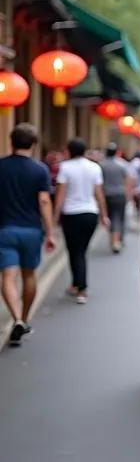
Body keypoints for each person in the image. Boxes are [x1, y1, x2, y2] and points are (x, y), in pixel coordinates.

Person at [0, 124, 56, 345]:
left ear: (12, 141)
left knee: (7, 277)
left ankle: (16, 319)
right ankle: (24, 317)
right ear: (34, 144)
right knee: (29, 275)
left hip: (4, 229)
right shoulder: (40, 169)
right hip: (32, 230)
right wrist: (50, 232)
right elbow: (44, 201)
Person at [54, 137, 108, 305]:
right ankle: (76, 284)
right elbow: (99, 193)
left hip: (71, 213)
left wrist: (55, 216)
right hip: (90, 213)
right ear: (85, 151)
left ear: (69, 151)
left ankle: (81, 287)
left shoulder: (65, 167)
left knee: (74, 251)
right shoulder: (94, 167)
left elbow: (61, 194)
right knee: (81, 250)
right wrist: (104, 215)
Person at [99, 141, 134, 253]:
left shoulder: (102, 165)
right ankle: (116, 240)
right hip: (120, 194)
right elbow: (129, 179)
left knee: (111, 217)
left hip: (107, 195)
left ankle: (114, 240)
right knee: (119, 217)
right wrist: (129, 193)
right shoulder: (122, 164)